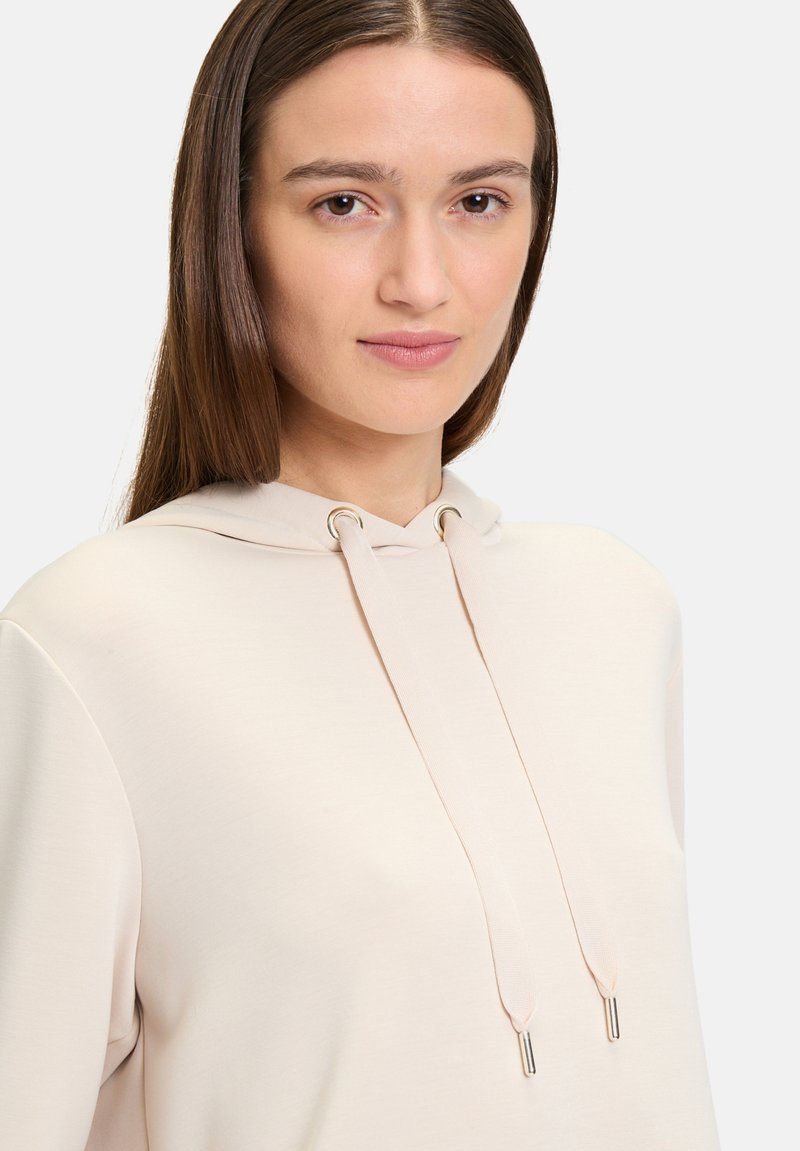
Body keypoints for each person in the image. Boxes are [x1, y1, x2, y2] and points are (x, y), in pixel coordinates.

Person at [0, 0, 721, 1146]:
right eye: (344, 202)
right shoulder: (93, 641)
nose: (420, 280)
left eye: (477, 201)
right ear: (230, 223)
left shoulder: (615, 609)